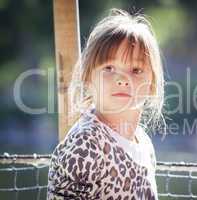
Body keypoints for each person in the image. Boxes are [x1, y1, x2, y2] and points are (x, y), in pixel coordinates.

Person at [47, 8, 166, 200]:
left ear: (152, 84)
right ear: (87, 78)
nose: (122, 79)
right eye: (109, 68)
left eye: (136, 70)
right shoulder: (86, 144)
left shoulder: (143, 143)